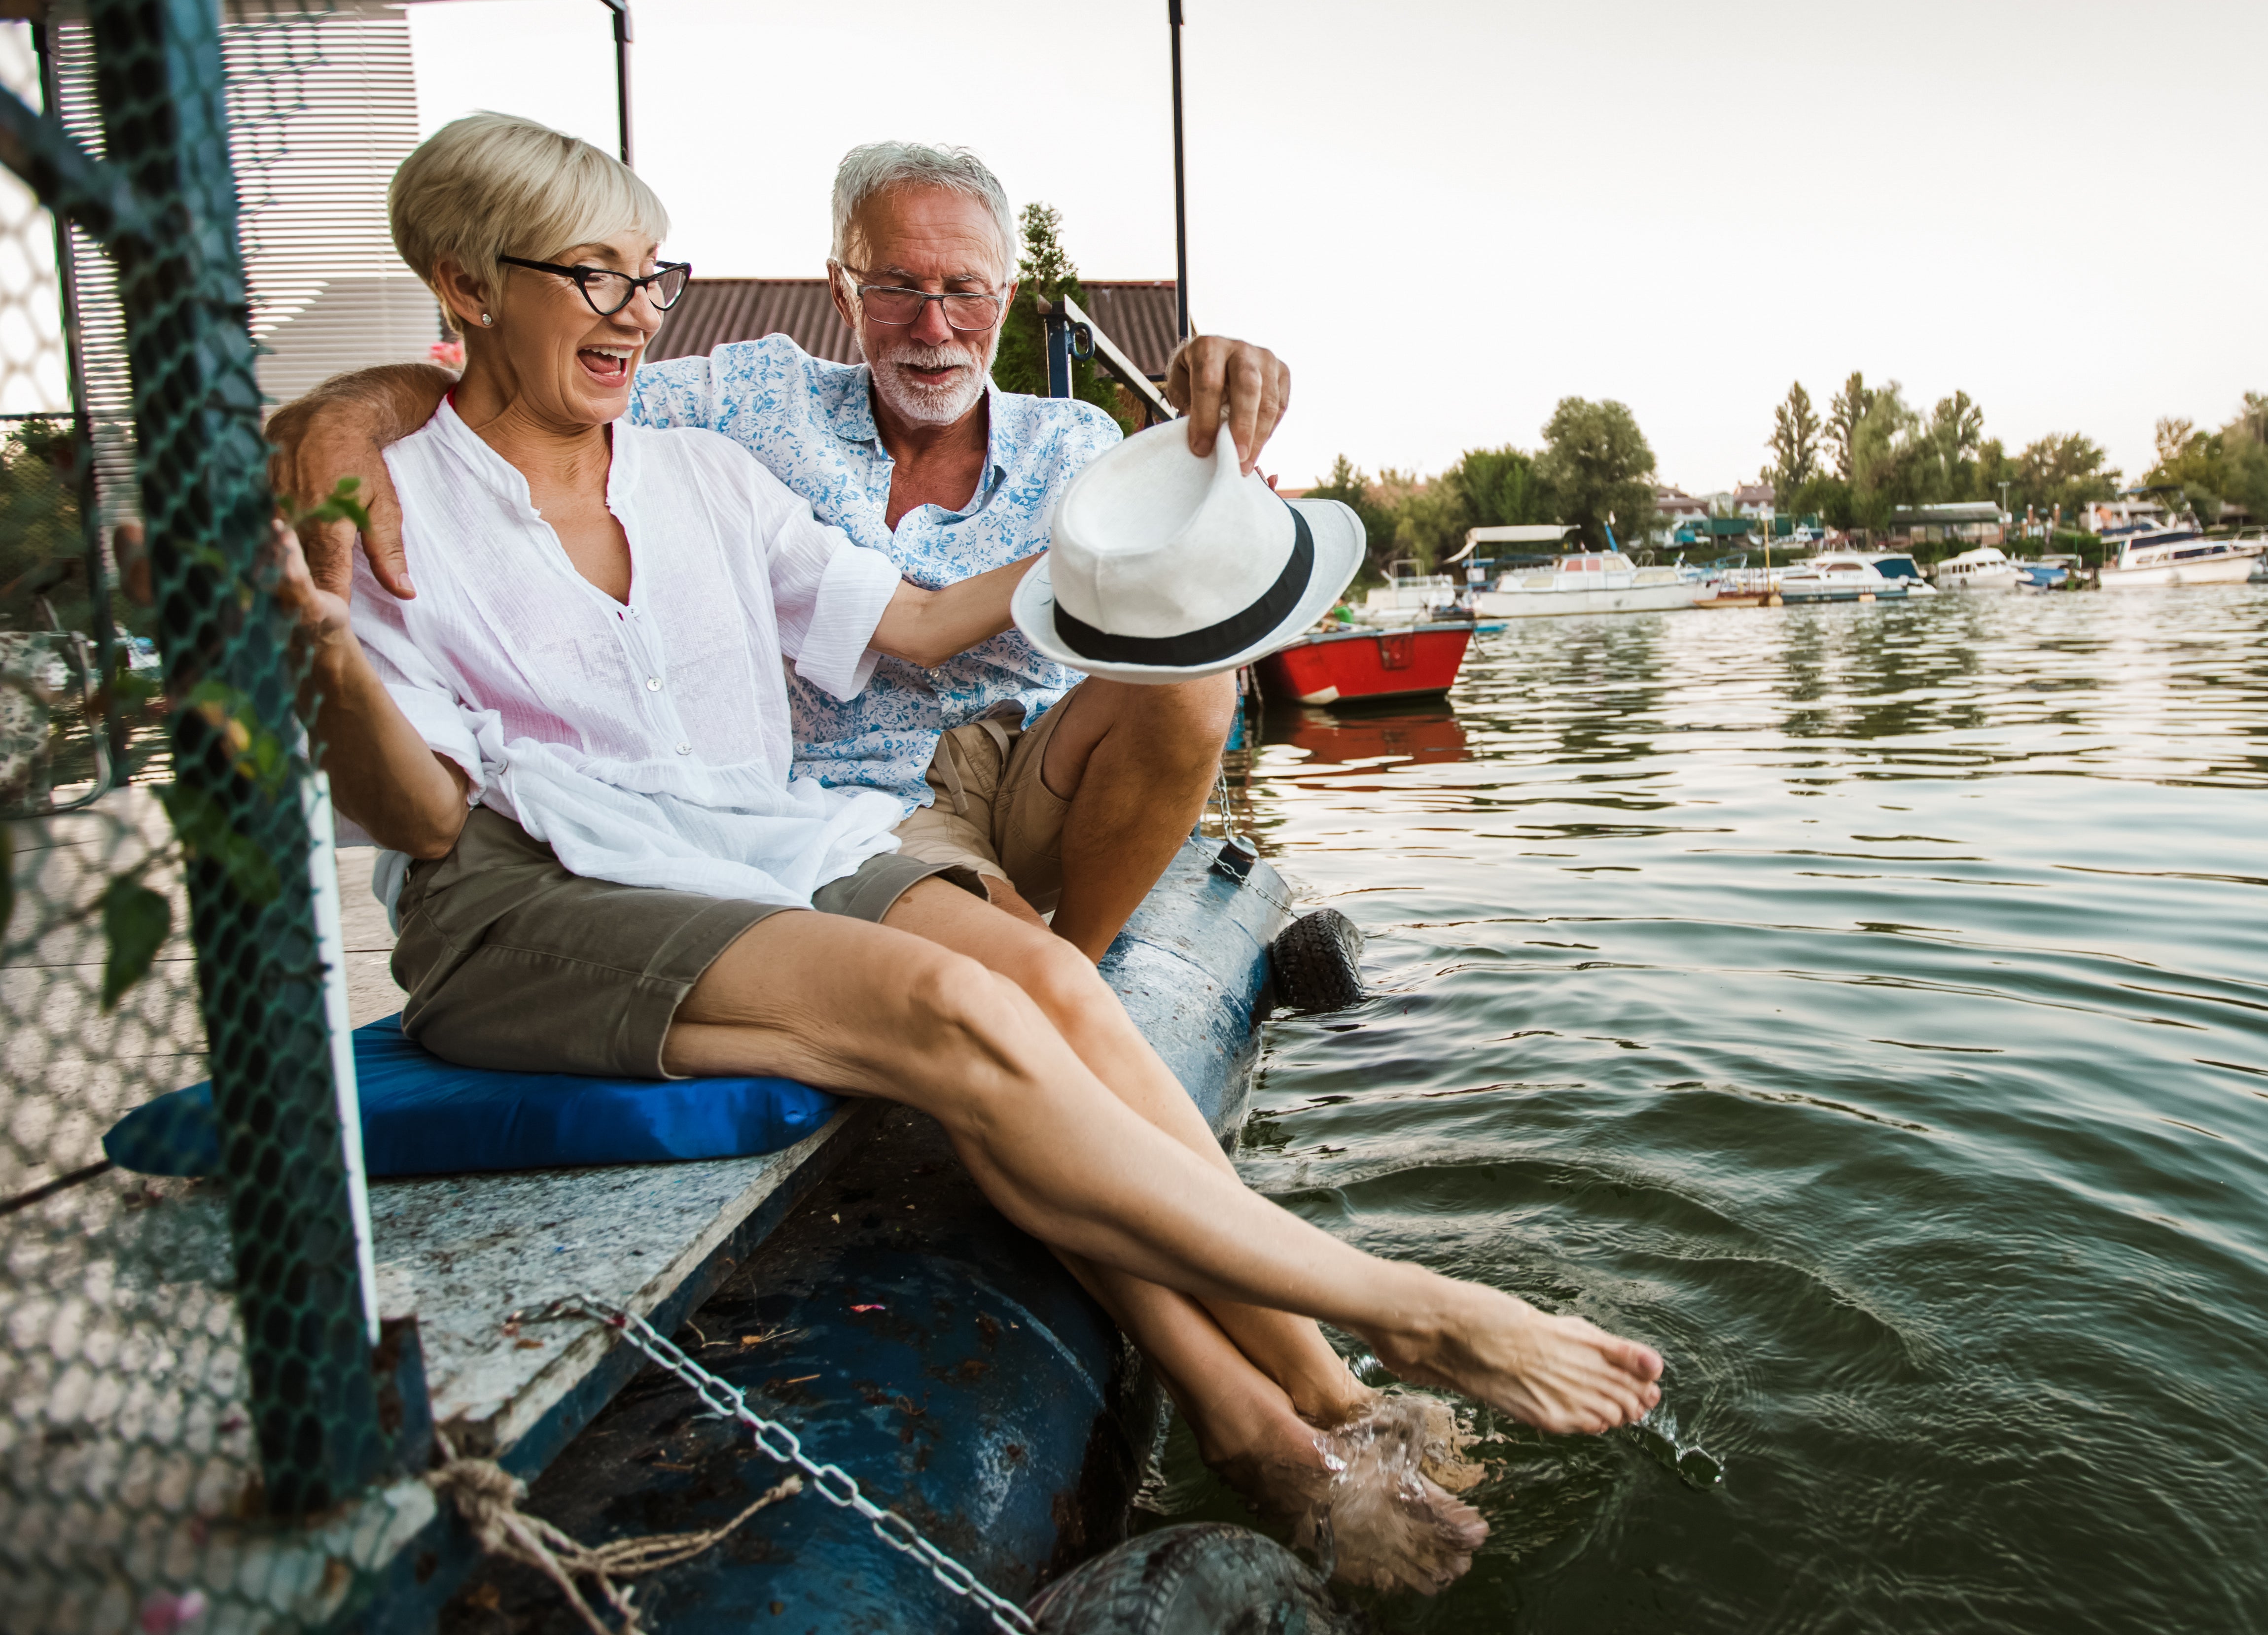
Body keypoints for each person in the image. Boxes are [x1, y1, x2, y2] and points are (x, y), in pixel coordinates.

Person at [285, 113, 1659, 1590]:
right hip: (533, 881)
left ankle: (1316, 1396)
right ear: (471, 284)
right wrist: (330, 639)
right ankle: (1389, 1322)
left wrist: (1141, 540)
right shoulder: (400, 499)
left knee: (1051, 996)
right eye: (595, 276)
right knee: (957, 1017)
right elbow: (424, 819)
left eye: (648, 278)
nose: (632, 312)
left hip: (757, 839)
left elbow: (926, 621)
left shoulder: (695, 478)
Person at [272, 139, 1290, 964]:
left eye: (966, 292)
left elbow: (1186, 563)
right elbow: (509, 390)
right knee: (973, 955)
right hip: (845, 804)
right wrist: (353, 410)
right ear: (841, 290)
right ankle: (1030, 994)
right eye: (896, 286)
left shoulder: (1078, 445)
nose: (934, 326)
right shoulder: (738, 402)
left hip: (1029, 769)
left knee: (1192, 684)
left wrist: (1211, 413)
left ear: (1008, 300)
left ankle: (1089, 971)